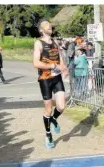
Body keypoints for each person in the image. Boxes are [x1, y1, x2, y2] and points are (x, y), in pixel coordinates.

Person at [33, 20, 68, 149]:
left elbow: (60, 59)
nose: (50, 26)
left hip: (57, 77)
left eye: (50, 25)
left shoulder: (55, 42)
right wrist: (51, 65)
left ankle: (53, 119)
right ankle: (48, 134)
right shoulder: (38, 43)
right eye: (47, 25)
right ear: (41, 30)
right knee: (48, 108)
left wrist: (64, 69)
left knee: (61, 106)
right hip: (45, 79)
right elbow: (36, 63)